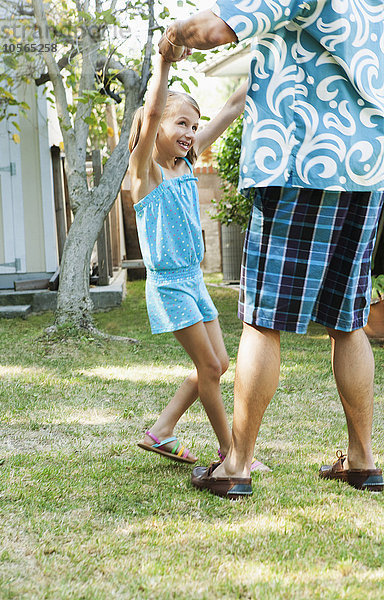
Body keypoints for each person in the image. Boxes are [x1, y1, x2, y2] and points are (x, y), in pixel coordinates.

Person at [158, 1, 384, 498]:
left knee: (264, 318)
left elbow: (214, 28)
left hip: (299, 156)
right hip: (367, 160)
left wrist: (170, 38)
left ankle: (236, 465)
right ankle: (363, 460)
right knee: (348, 319)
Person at [129, 49, 269, 471]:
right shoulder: (145, 174)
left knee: (220, 364)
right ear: (155, 129)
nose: (190, 132)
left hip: (194, 282)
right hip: (170, 285)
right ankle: (231, 452)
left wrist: (272, 56)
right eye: (181, 124)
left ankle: (162, 430)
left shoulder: (186, 165)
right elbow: (152, 112)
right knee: (209, 366)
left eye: (193, 125)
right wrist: (163, 65)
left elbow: (229, 108)